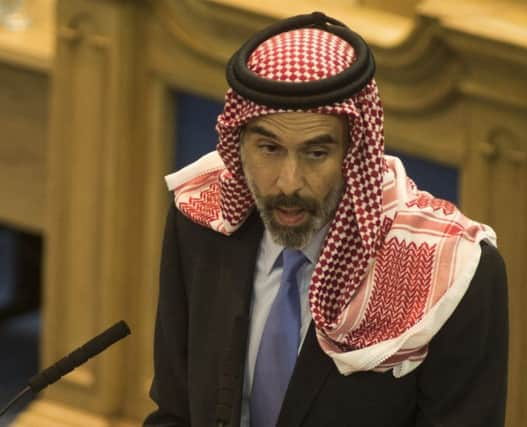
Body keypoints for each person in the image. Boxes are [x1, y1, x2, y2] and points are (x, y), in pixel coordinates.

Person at [144, 12, 508, 427]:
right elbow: (175, 411)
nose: (289, 181)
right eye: (268, 148)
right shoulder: (201, 220)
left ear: (354, 155)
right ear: (237, 145)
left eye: (316, 153)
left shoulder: (451, 273)